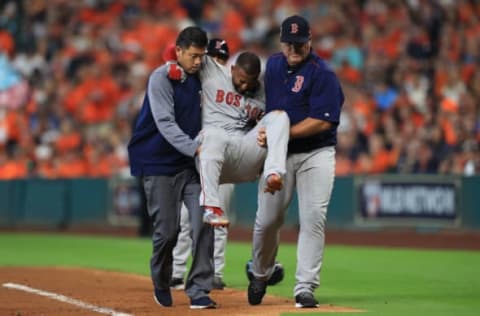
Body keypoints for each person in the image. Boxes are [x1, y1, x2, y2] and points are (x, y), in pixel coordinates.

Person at [169, 38, 286, 290]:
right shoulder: (206, 75)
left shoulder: (260, 92)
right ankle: (177, 271)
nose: (244, 85)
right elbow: (182, 49)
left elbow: (271, 120)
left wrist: (264, 131)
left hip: (235, 155)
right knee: (187, 216)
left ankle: (215, 273)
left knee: (218, 222)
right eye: (216, 56)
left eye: (222, 55)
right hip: (207, 152)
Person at [247, 15, 344, 308]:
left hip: (316, 153)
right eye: (289, 43)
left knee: (313, 219)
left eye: (299, 43)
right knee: (267, 221)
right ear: (281, 42)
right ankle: (261, 273)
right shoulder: (273, 66)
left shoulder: (322, 73)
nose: (294, 49)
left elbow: (324, 121)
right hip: (280, 155)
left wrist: (281, 133)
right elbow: (261, 104)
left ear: (309, 41)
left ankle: (305, 287)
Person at [127, 26, 217, 309]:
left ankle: (199, 288)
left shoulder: (202, 75)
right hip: (158, 163)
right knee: (167, 232)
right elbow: (165, 123)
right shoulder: (161, 78)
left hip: (190, 166)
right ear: (178, 52)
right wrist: (196, 148)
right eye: (193, 56)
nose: (198, 62)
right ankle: (161, 281)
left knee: (205, 221)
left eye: (202, 56)